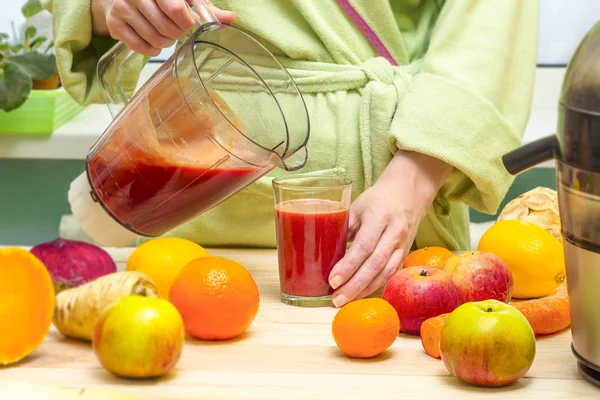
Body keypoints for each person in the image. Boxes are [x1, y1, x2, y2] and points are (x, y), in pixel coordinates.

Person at [42, 0, 539, 307]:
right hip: (187, 215)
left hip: (391, 205)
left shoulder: (406, 188)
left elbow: (491, 18)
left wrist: (413, 178)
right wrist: (109, 5)